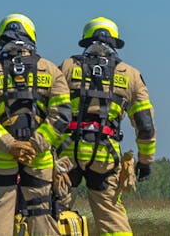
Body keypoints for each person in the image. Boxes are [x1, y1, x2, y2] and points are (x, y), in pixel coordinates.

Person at [0, 13, 71, 236]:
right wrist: (35, 145)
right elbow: (61, 115)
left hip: (0, 156)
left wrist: (10, 145)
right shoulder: (51, 71)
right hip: (40, 156)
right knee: (42, 212)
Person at [58, 17, 155, 236]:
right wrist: (145, 162)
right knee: (113, 221)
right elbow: (145, 125)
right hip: (105, 157)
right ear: (115, 42)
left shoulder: (66, 67)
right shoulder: (130, 75)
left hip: (66, 156)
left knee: (54, 214)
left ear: (86, 41)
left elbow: (47, 112)